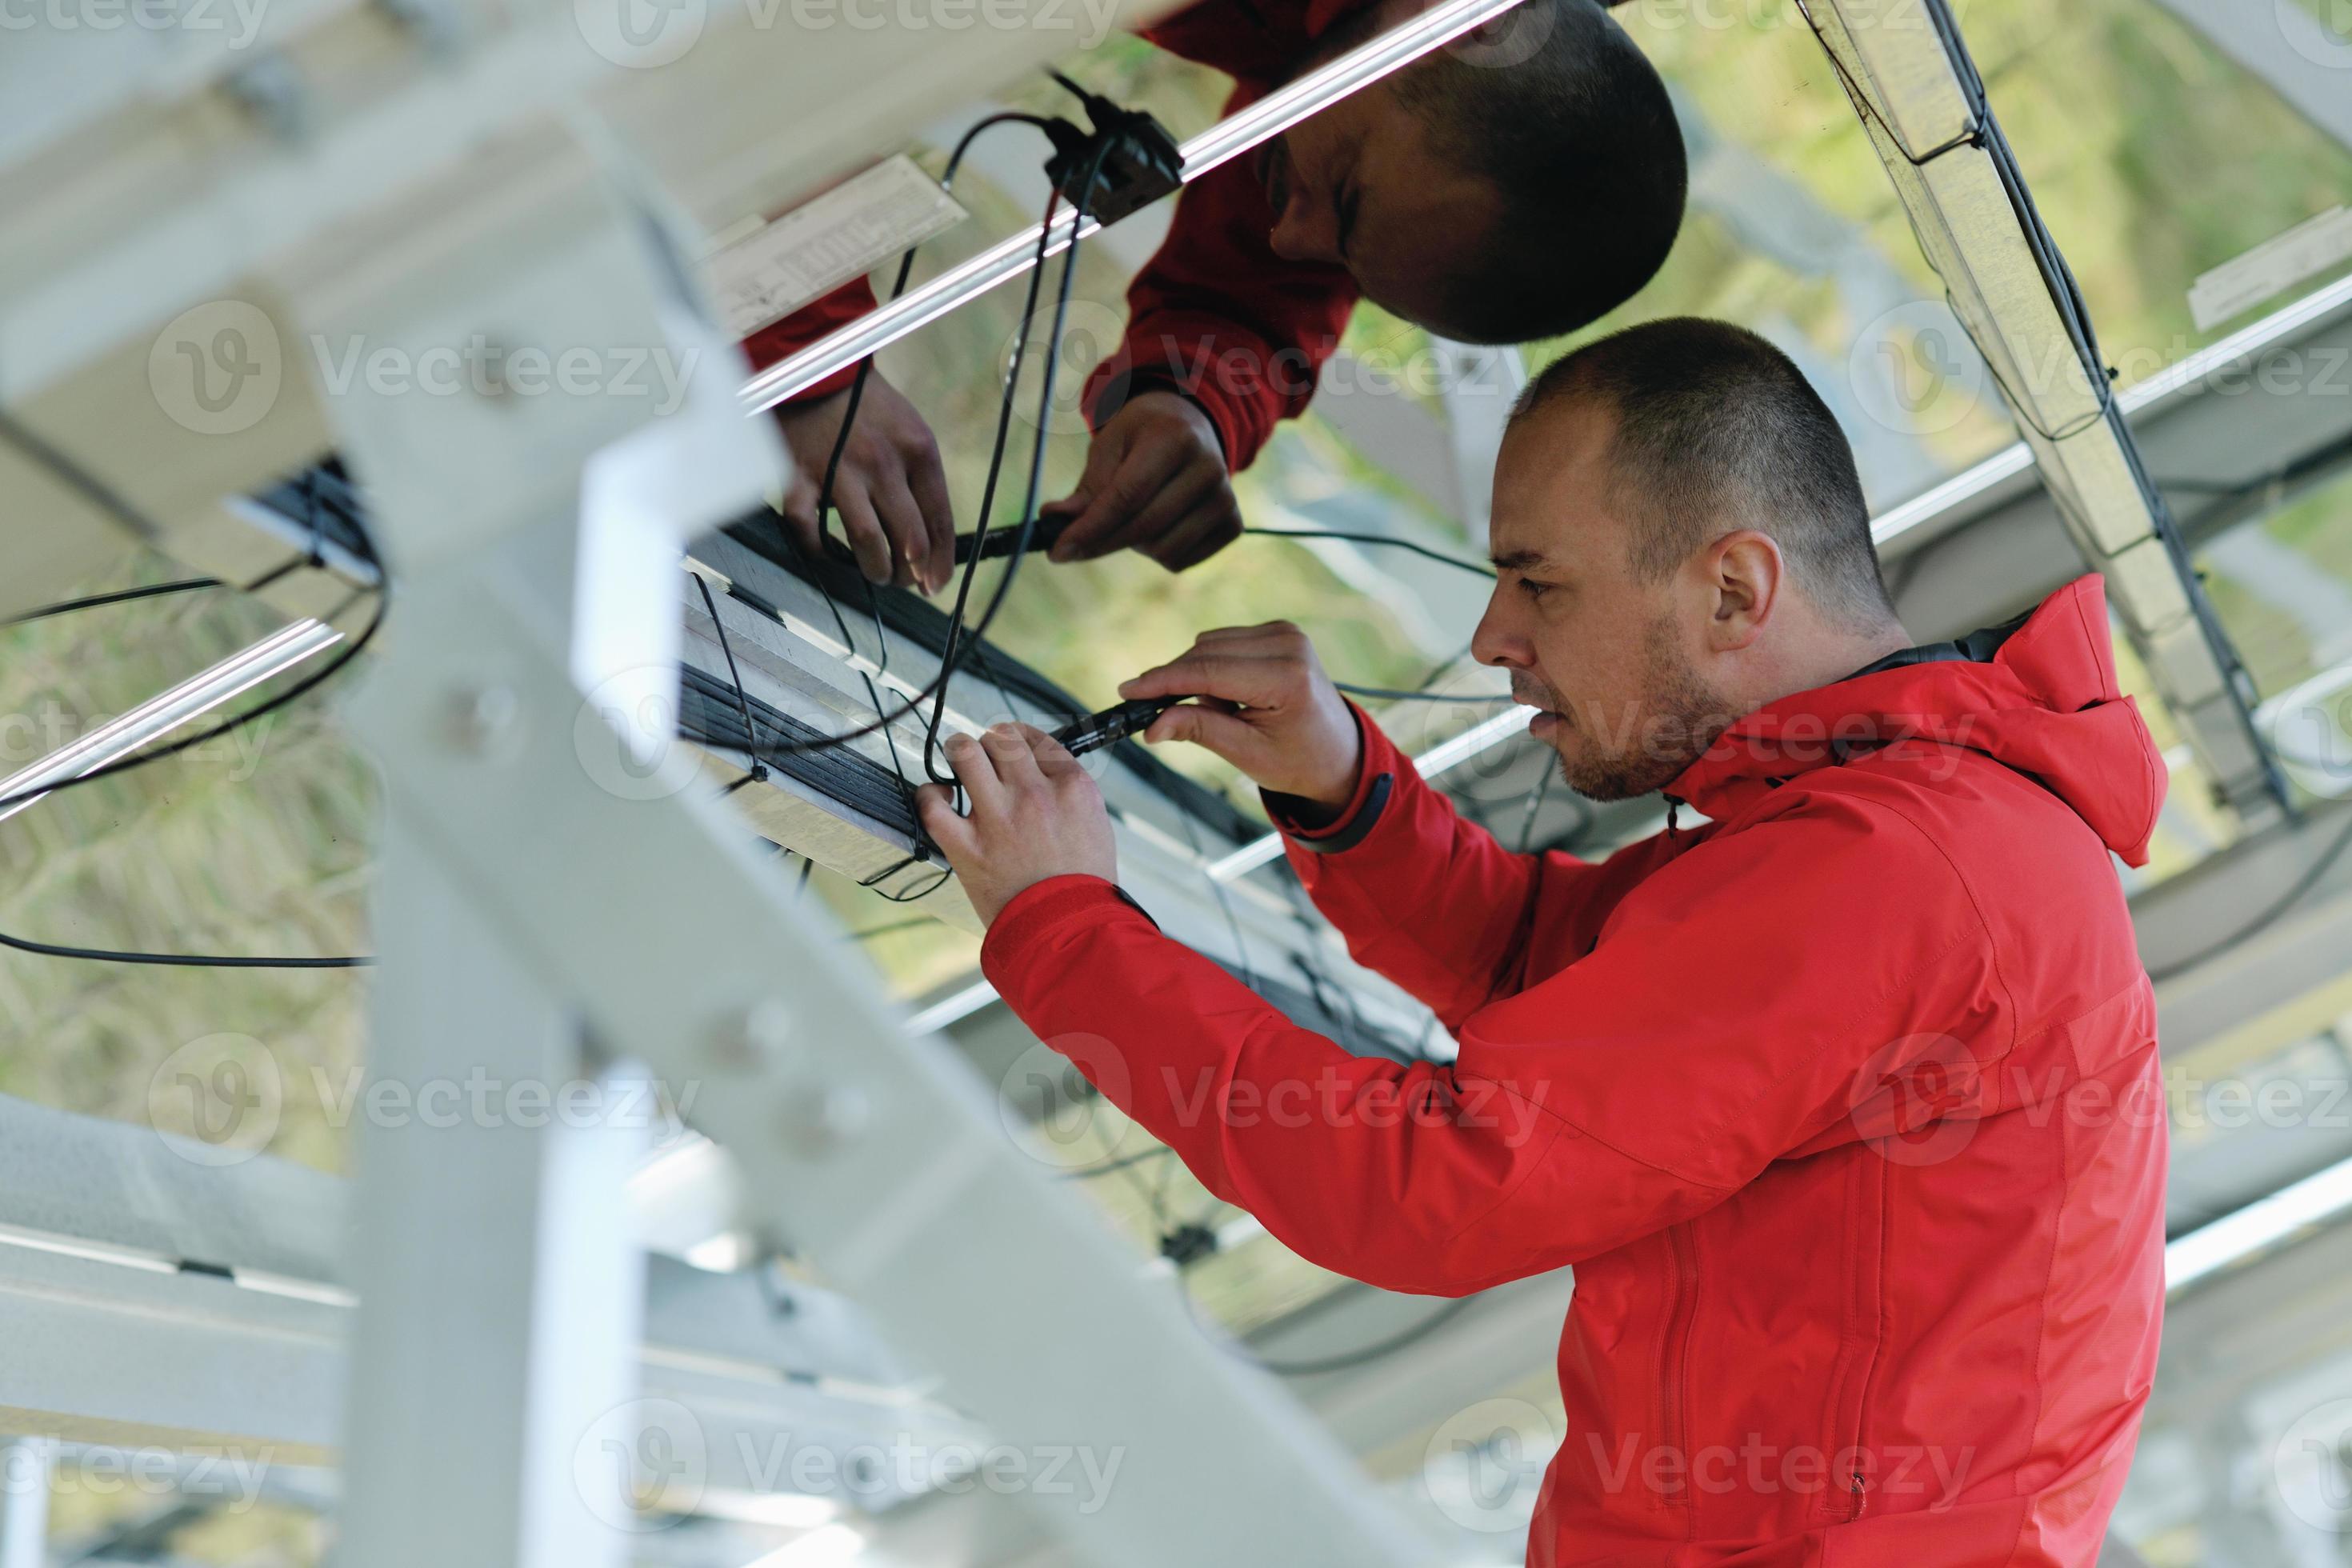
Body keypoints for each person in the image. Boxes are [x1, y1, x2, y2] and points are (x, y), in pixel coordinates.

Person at [912, 318, 2167, 1565]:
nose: (1492, 640)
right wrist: (1343, 788)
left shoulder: (1900, 867)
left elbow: (1427, 1187)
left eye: (1539, 583)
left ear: (1734, 589)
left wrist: (1065, 929)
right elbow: (1562, 969)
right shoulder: (1891, 820)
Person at [751, 0, 1686, 590]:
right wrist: (812, 351)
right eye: (1349, 198)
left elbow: (1266, 285)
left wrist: (1187, 401)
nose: (1290, 235)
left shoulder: (1412, 64)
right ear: (1465, 23)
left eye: (1347, 260)